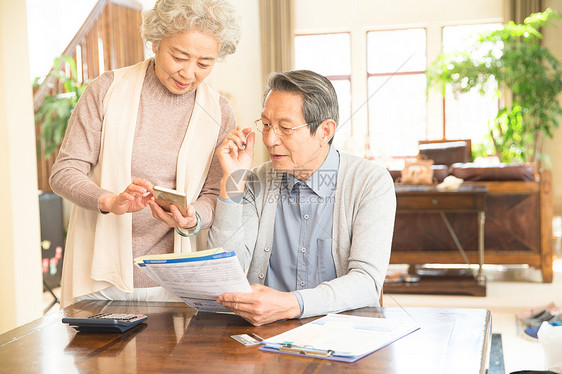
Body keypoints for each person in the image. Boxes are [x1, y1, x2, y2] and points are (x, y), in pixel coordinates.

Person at [50, 0, 241, 307]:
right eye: (179, 56)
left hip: (176, 281)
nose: (189, 73)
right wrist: (110, 200)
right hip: (100, 278)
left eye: (204, 63)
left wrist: (192, 218)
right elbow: (64, 172)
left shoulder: (219, 111)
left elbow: (213, 194)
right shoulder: (106, 90)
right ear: (155, 41)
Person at [208, 70, 396, 326]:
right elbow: (224, 277)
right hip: (264, 335)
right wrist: (232, 184)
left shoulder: (370, 182)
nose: (271, 140)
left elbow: (366, 282)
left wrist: (292, 304)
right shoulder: (253, 181)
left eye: (285, 128)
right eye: (265, 125)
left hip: (343, 332)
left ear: (324, 131)